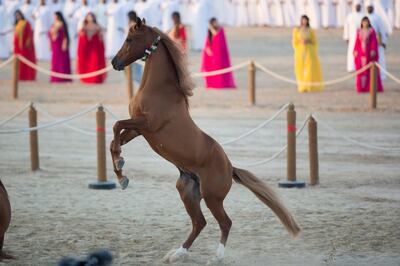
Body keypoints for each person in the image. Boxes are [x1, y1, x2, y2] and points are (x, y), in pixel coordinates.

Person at [200, 18, 236, 89]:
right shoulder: (210, 33)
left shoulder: (220, 30)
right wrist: (208, 50)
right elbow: (207, 44)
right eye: (213, 23)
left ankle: (220, 84)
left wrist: (211, 29)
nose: (215, 24)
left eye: (215, 22)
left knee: (220, 70)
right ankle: (212, 83)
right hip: (212, 56)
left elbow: (217, 37)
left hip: (220, 56)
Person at [292, 15, 323, 92]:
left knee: (309, 68)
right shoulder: (297, 30)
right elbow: (294, 41)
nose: (304, 22)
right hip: (300, 51)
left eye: (306, 20)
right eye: (303, 20)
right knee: (300, 68)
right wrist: (300, 42)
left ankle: (310, 85)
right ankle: (302, 85)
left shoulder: (310, 30)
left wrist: (308, 41)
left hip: (309, 51)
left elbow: (314, 41)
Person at [353, 16, 383, 93]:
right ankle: (361, 87)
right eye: (363, 22)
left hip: (369, 54)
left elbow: (374, 42)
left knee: (370, 71)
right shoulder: (359, 31)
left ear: (369, 23)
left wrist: (373, 50)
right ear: (361, 23)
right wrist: (355, 50)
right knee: (361, 71)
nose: (365, 23)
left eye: (366, 22)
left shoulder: (372, 31)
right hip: (361, 54)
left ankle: (370, 87)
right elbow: (357, 42)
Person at [77, 12, 106, 83]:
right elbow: (81, 36)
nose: (90, 18)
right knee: (86, 63)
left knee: (95, 62)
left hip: (95, 48)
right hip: (86, 48)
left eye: (91, 16)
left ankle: (95, 79)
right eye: (88, 17)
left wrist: (99, 33)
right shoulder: (84, 26)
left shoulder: (97, 26)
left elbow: (101, 37)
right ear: (86, 18)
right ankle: (87, 79)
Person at [366, 2, 388, 80]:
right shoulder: (365, 17)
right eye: (368, 7)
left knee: (380, 59)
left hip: (377, 42)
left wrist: (384, 42)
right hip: (368, 43)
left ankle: (382, 76)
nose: (369, 8)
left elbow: (382, 30)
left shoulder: (377, 17)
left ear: (373, 8)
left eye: (370, 7)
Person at [48, 11, 72, 82]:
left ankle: (63, 77)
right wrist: (50, 44)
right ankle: (55, 77)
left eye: (56, 16)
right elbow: (50, 34)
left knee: (62, 60)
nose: (55, 17)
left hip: (61, 44)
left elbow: (65, 35)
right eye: (54, 16)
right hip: (55, 44)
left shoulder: (62, 24)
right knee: (55, 60)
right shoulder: (53, 24)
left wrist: (65, 43)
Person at [14, 10, 36, 80]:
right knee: (19, 64)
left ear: (21, 15)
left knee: (26, 62)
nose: (18, 17)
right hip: (18, 47)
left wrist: (28, 41)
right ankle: (21, 77)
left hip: (25, 47)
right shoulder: (17, 24)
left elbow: (29, 33)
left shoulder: (26, 23)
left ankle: (27, 77)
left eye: (19, 15)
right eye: (16, 16)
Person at [343, 1, 363, 72]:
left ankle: (360, 66)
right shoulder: (350, 16)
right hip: (352, 38)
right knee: (351, 52)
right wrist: (346, 37)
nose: (357, 7)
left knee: (360, 52)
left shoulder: (363, 16)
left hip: (361, 38)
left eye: (359, 6)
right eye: (356, 6)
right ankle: (351, 67)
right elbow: (346, 27)